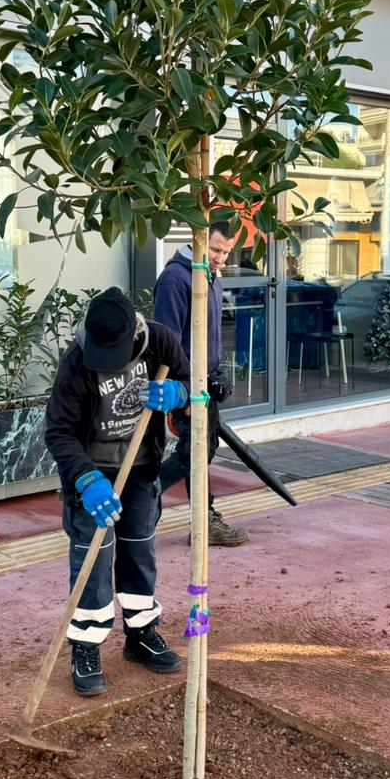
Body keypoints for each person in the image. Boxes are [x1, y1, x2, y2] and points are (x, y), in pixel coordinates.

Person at [45, 286, 192, 696]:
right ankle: (86, 646)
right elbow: (58, 431)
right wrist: (86, 479)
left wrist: (178, 393)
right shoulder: (76, 361)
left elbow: (189, 381)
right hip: (92, 472)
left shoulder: (159, 341)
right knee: (94, 557)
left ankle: (141, 633)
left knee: (139, 550)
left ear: (133, 335)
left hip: (141, 466)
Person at [154, 222, 249, 547]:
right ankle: (144, 496)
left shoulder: (209, 276)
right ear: (198, 240)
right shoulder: (175, 279)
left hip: (204, 383)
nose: (221, 258)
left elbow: (207, 335)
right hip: (187, 386)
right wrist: (185, 390)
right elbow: (167, 342)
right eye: (216, 250)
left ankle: (203, 521)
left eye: (226, 252)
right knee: (192, 454)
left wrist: (216, 373)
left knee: (202, 451)